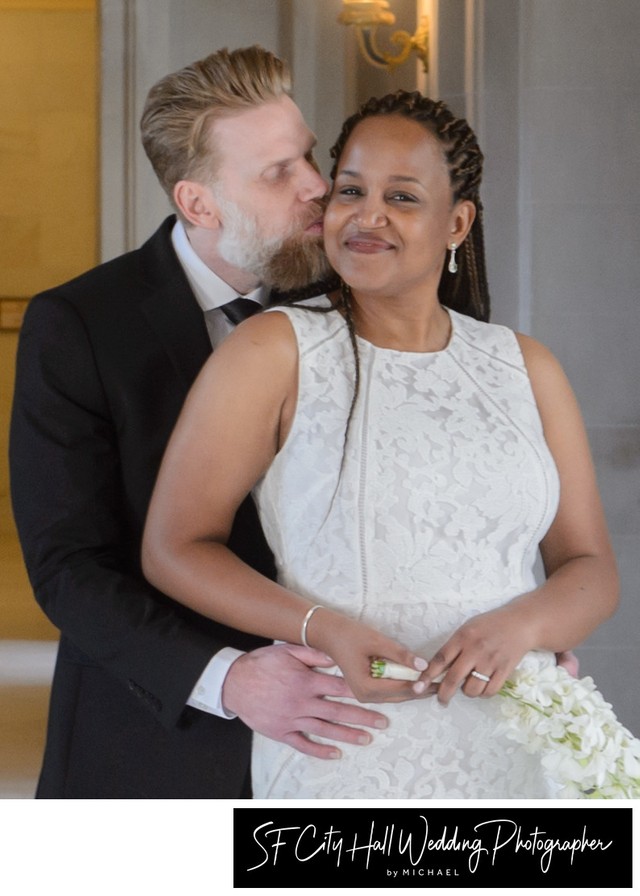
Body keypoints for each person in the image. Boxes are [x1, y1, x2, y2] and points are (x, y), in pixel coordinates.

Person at [142, 90, 619, 799]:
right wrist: (320, 626)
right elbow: (174, 547)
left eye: (401, 196)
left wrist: (525, 622)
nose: (368, 217)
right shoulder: (273, 350)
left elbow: (590, 567)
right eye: (350, 191)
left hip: (517, 754)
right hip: (348, 747)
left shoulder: (527, 367)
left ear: (457, 222)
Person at [8, 45, 392, 800]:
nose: (318, 186)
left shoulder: (366, 293)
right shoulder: (80, 325)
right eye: (279, 173)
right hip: (153, 743)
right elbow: (69, 568)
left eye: (309, 156)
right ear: (199, 204)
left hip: (353, 739)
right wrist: (229, 680)